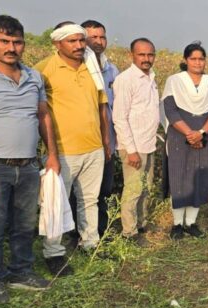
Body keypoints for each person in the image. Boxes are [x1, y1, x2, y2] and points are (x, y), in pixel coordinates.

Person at [0, 15, 59, 303]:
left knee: (24, 224)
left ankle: (21, 272)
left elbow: (43, 116)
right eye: (4, 41)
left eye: (17, 42)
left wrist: (52, 155)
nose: (11, 48)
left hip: (29, 165)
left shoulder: (33, 76)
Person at [36, 22, 111, 276]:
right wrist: (50, 152)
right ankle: (54, 253)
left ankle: (90, 243)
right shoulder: (44, 69)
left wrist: (105, 142)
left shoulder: (92, 67)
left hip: (93, 148)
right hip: (62, 152)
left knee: (89, 200)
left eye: (81, 40)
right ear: (57, 43)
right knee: (55, 203)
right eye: (72, 41)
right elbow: (38, 112)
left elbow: (102, 107)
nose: (79, 45)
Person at [161, 42, 208, 239]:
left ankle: (191, 223)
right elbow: (170, 110)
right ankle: (177, 224)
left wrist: (201, 133)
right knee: (179, 177)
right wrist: (190, 133)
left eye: (201, 59)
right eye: (193, 59)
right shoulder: (174, 81)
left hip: (206, 135)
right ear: (185, 60)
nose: (197, 62)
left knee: (199, 177)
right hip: (180, 135)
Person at [113, 38, 159, 244]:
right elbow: (119, 118)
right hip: (133, 146)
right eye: (142, 54)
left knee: (145, 188)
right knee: (133, 190)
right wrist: (131, 150)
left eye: (150, 54)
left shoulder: (151, 78)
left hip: (148, 144)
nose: (146, 58)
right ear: (131, 55)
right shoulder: (126, 80)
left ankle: (141, 224)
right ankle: (129, 233)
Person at [81, 20, 119, 238]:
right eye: (92, 37)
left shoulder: (111, 70)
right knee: (83, 193)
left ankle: (102, 232)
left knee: (104, 189)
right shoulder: (80, 69)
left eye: (101, 37)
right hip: (86, 142)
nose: (98, 41)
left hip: (108, 142)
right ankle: (79, 235)